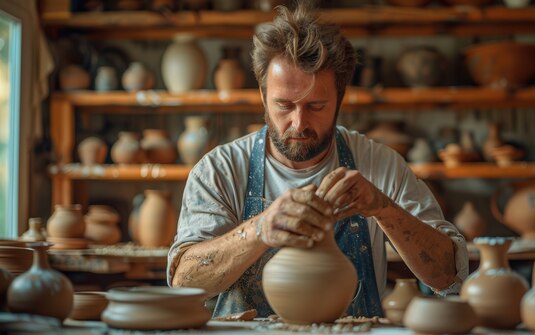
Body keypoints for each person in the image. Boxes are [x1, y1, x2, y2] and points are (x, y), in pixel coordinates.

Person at [167, 2, 468, 318]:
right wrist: (259, 230)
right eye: (284, 105)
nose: (298, 123)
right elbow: (183, 282)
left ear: (340, 97)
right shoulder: (221, 169)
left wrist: (383, 209)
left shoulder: (379, 164)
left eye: (316, 106)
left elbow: (448, 276)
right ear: (262, 95)